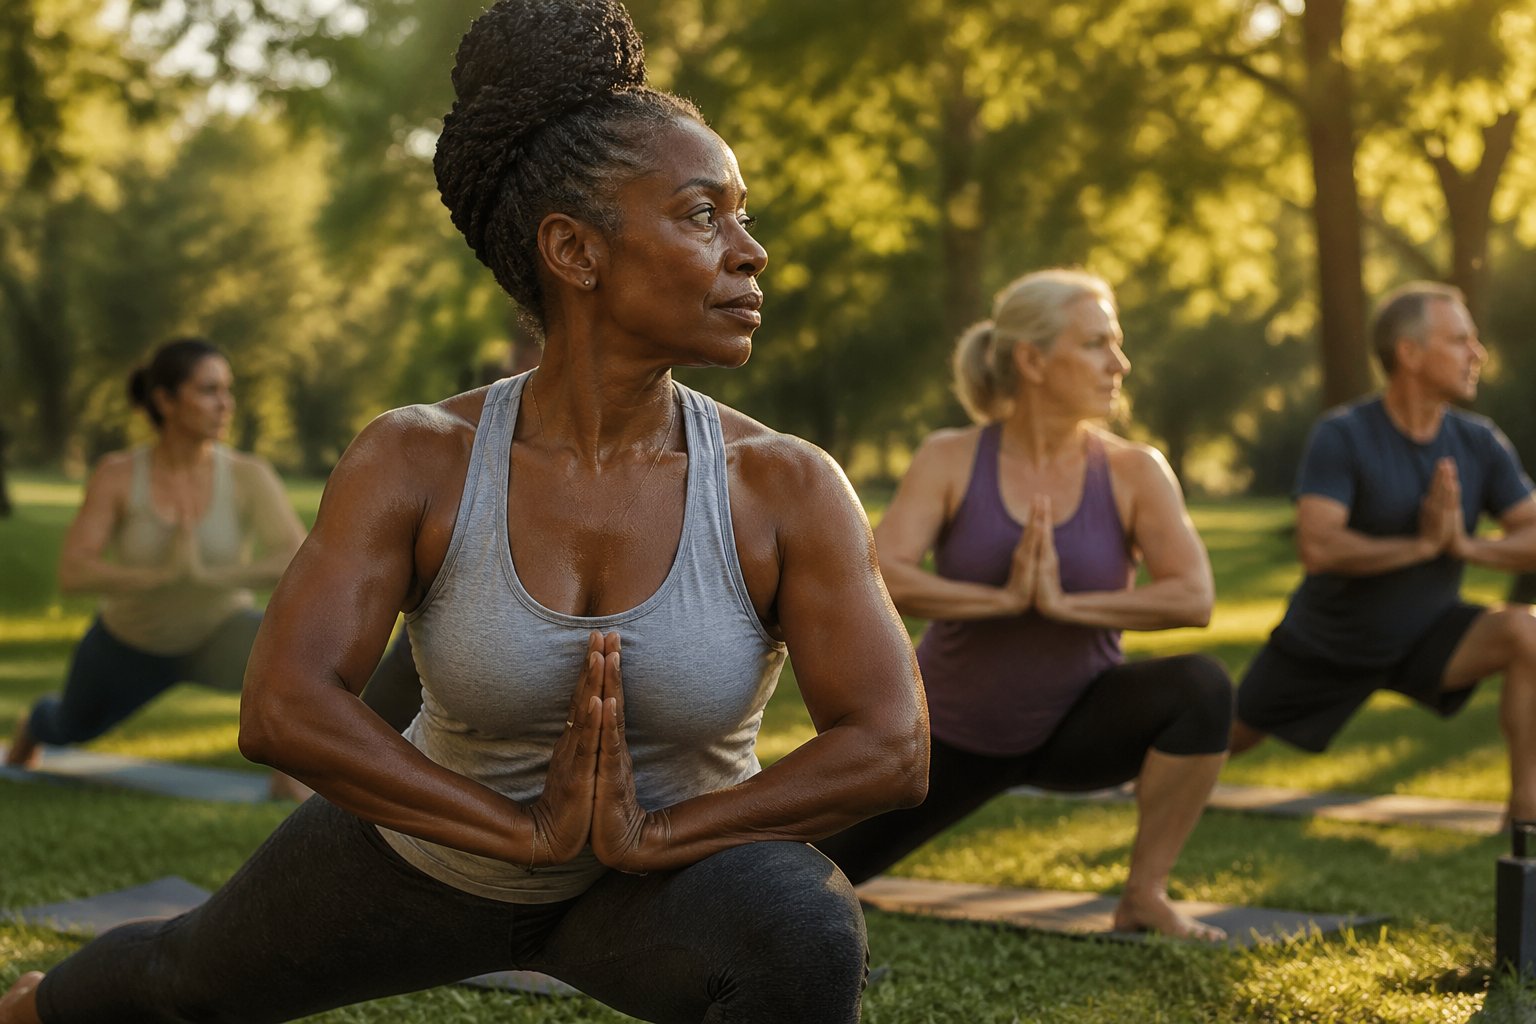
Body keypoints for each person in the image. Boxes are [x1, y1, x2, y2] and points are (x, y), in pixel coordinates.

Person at [0, 1, 929, 1020]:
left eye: (743, 214)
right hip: (423, 863)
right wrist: (518, 830)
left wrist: (654, 837)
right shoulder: (417, 457)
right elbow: (283, 708)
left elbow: (889, 743)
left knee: (803, 937)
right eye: (705, 214)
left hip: (662, 885)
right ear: (575, 250)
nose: (750, 251)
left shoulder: (784, 482)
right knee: (179, 981)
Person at [815, 269, 1232, 941]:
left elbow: (1194, 595)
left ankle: (1145, 894)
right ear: (1032, 360)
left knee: (1201, 687)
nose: (1118, 363)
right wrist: (1003, 599)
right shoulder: (950, 458)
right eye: (1097, 343)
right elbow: (880, 573)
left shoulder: (1135, 471)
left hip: (1080, 724)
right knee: (795, 879)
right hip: (946, 735)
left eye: (1116, 343)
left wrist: (1063, 605)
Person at [1231, 282, 1536, 818]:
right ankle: (1134, 780)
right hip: (1331, 643)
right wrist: (1420, 547)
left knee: (1526, 632)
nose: (1477, 353)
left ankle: (1527, 815)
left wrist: (1463, 545)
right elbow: (1318, 546)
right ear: (1410, 354)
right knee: (1217, 740)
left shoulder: (1479, 441)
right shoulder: (1343, 435)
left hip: (1428, 635)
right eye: (1460, 340)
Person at [4, 337, 310, 801]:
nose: (226, 404)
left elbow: (297, 557)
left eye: (228, 390)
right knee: (71, 725)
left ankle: (288, 773)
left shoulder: (250, 475)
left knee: (296, 649)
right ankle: (33, 726)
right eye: (209, 390)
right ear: (165, 401)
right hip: (131, 644)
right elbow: (75, 572)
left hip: (217, 635)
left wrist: (209, 579)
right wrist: (161, 579)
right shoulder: (118, 474)